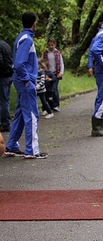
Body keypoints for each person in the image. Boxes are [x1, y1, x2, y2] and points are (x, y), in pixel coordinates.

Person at [4, 11, 47, 159]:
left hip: (21, 80)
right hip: (25, 82)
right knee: (32, 115)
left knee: (21, 115)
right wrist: (27, 80)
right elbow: (19, 63)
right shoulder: (27, 39)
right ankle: (32, 150)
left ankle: (11, 145)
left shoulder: (21, 37)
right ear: (34, 23)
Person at [41, 38, 64, 112]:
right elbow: (41, 63)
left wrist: (61, 72)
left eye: (52, 45)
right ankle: (48, 105)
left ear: (55, 45)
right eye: (49, 45)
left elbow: (61, 63)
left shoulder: (58, 53)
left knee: (54, 89)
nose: (51, 47)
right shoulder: (45, 53)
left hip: (55, 73)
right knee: (47, 90)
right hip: (47, 73)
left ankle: (56, 104)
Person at [0, 39, 13, 132]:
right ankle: (6, 121)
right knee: (6, 99)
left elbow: (0, 62)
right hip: (9, 74)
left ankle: (5, 123)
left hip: (3, 75)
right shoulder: (5, 44)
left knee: (3, 100)